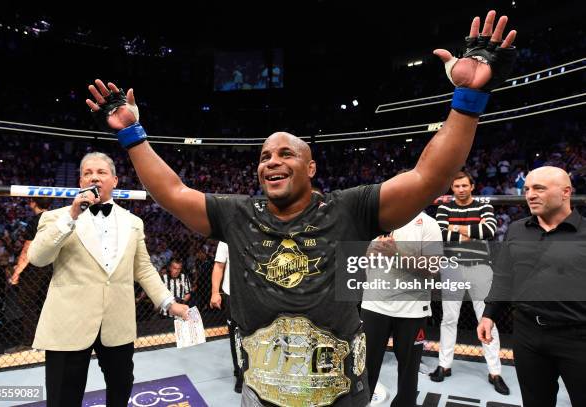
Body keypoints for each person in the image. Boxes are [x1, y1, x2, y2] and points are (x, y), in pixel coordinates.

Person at [86, 11, 517, 406]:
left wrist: (467, 100)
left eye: (285, 154)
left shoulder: (350, 208)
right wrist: (133, 135)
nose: (271, 161)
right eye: (264, 156)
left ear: (310, 166)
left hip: (339, 393)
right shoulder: (239, 214)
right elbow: (173, 193)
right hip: (262, 392)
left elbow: (429, 177)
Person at [27, 152, 189, 407]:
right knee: (62, 398)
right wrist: (71, 216)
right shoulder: (55, 217)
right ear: (80, 182)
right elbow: (37, 258)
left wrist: (169, 302)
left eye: (101, 172)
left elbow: (144, 268)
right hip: (69, 322)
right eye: (88, 173)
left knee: (121, 389)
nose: (94, 177)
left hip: (117, 322)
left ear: (114, 180)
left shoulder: (133, 222)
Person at [478, 166, 586, 407]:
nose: (529, 195)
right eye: (526, 189)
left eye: (539, 188)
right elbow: (504, 275)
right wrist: (489, 314)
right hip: (527, 333)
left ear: (566, 192)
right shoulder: (517, 229)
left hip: (577, 337)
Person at [431, 171, 509, 395]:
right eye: (456, 186)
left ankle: (495, 371)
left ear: (472, 186)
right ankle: (444, 365)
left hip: (480, 267)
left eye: (465, 185)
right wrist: (471, 232)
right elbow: (440, 234)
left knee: (486, 319)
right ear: (452, 188)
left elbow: (489, 231)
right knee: (449, 318)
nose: (461, 189)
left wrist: (456, 229)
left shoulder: (484, 206)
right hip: (452, 267)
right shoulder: (444, 208)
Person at [361, 210, 443, 406]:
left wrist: (396, 254)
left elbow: (433, 268)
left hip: (412, 309)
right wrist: (371, 253)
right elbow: (363, 260)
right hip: (375, 304)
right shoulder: (377, 219)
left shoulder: (428, 224)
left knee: (408, 373)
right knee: (365, 368)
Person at [8, 197, 53, 351]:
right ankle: (46, 339)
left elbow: (27, 249)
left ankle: (30, 342)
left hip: (36, 267)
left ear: (33, 203)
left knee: (27, 302)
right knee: (45, 303)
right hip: (53, 266)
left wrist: (17, 273)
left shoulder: (36, 221)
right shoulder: (54, 218)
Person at [209, 241, 243, 393]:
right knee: (235, 336)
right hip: (231, 293)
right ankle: (240, 374)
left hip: (256, 294)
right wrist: (215, 292)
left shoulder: (260, 227)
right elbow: (219, 265)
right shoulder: (227, 235)